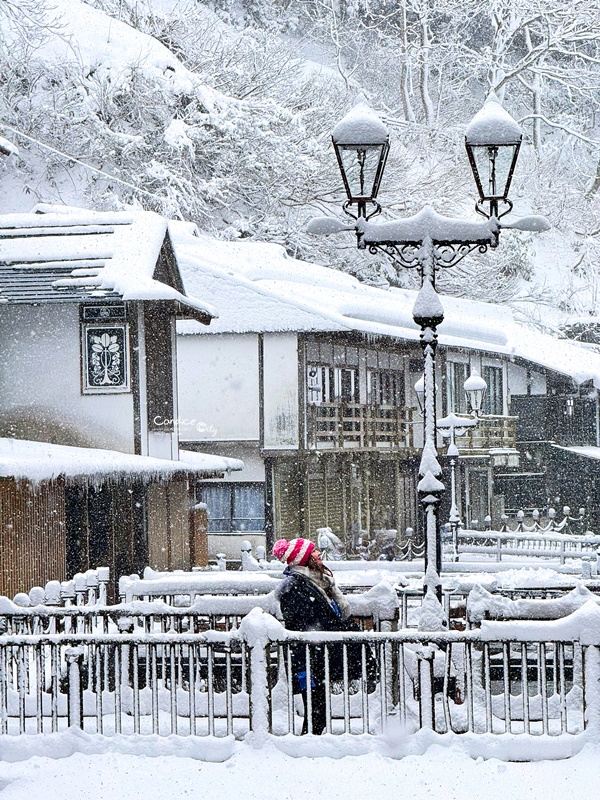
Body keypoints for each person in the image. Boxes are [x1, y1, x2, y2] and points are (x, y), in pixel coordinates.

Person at [273, 537, 353, 735]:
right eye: (314, 551)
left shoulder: (316, 582)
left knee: (318, 708)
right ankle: (308, 747)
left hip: (317, 653)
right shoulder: (296, 587)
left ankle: (310, 744)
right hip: (308, 657)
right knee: (315, 707)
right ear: (304, 559)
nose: (318, 554)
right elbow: (306, 622)